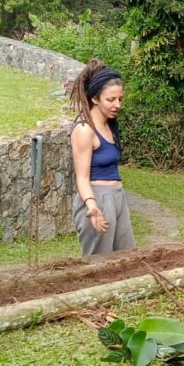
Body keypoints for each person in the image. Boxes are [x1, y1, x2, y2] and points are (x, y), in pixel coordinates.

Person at [68, 59, 135, 257]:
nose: (117, 105)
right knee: (99, 264)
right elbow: (81, 177)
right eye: (111, 99)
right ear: (95, 98)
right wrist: (92, 205)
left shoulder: (109, 126)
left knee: (128, 258)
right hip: (97, 199)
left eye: (120, 99)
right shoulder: (84, 129)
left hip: (117, 195)